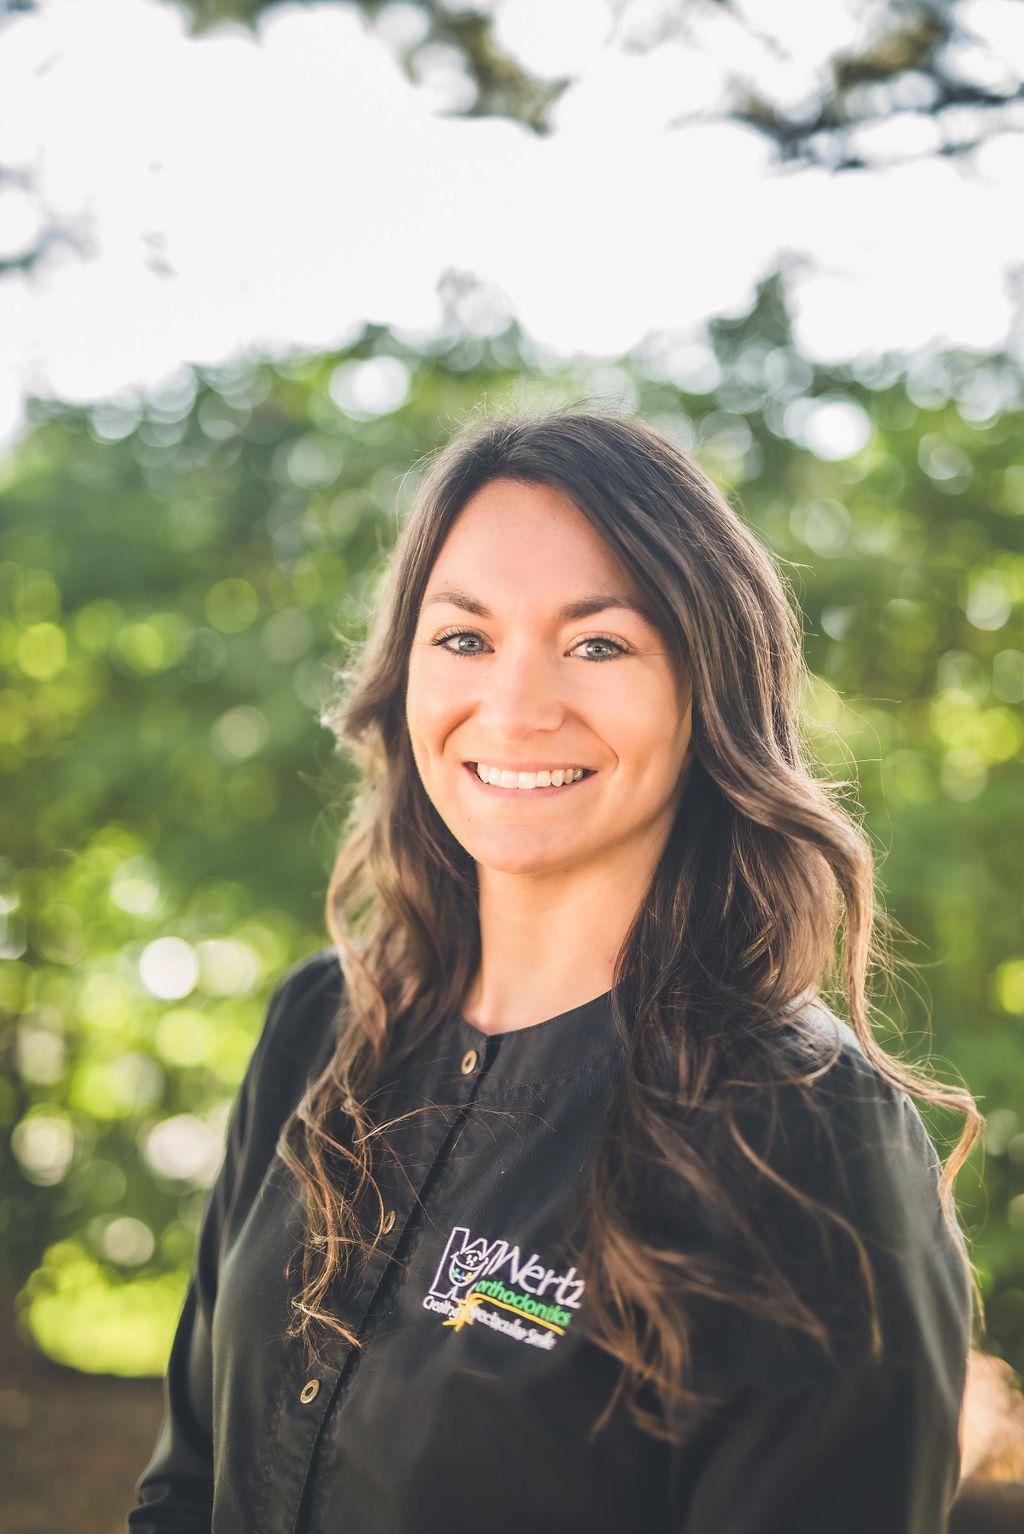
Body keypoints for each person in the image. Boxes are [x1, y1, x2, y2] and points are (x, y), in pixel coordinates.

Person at [127, 405, 981, 1534]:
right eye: (465, 638)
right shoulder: (317, 1026)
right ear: (406, 674)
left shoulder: (805, 1133)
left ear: (707, 690)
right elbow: (188, 1489)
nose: (517, 707)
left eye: (598, 643)